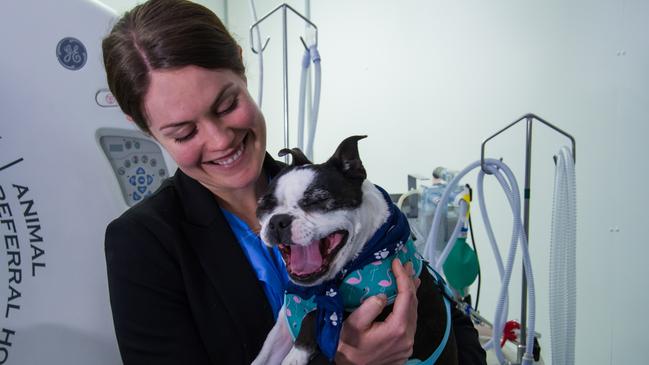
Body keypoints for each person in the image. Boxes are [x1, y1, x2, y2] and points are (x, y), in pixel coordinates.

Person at [102, 1, 486, 364]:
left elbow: (454, 323)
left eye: (226, 106)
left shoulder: (336, 196)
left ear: (240, 62)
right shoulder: (142, 245)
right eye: (184, 133)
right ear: (143, 126)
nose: (220, 141)